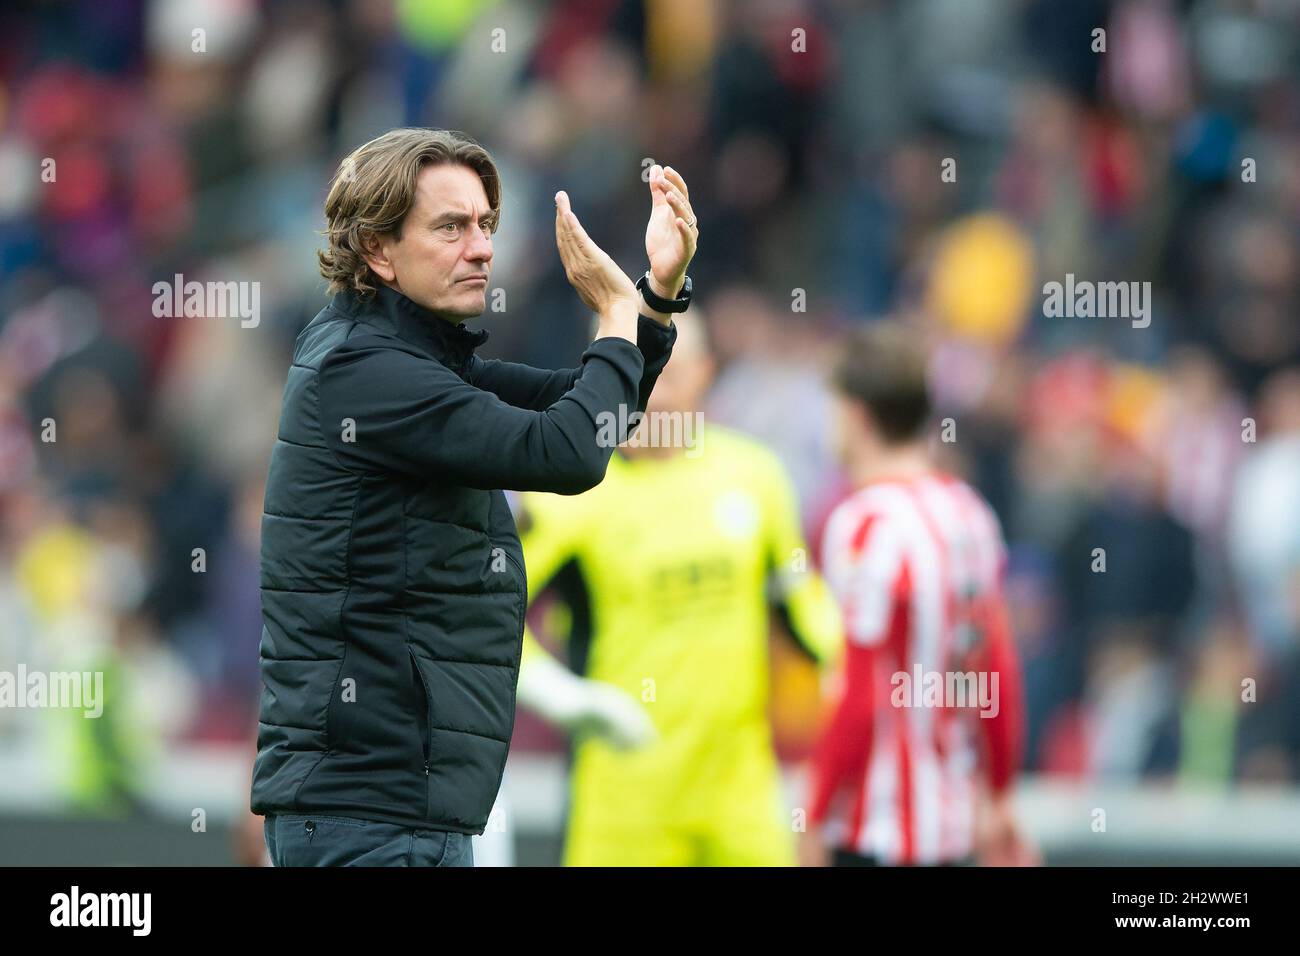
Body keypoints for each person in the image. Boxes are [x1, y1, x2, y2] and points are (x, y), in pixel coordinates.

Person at [251, 127, 698, 866]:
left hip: (394, 810)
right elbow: (568, 450)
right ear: (377, 249)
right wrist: (617, 318)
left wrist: (652, 299)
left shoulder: (400, 357)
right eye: (451, 227)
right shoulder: (367, 371)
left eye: (486, 224)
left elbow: (589, 413)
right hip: (368, 815)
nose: (483, 247)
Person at [515, 312, 843, 865]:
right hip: (623, 806)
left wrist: (866, 671)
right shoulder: (568, 494)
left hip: (740, 796)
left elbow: (807, 613)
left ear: (705, 373)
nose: (647, 390)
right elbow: (488, 615)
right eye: (629, 369)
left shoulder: (754, 477)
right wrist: (568, 700)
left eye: (666, 369)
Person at [799, 322, 1033, 867]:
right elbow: (995, 670)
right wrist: (1000, 795)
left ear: (856, 416)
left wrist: (812, 817)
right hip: (953, 829)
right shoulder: (970, 515)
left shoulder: (863, 524)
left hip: (874, 829)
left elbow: (859, 691)